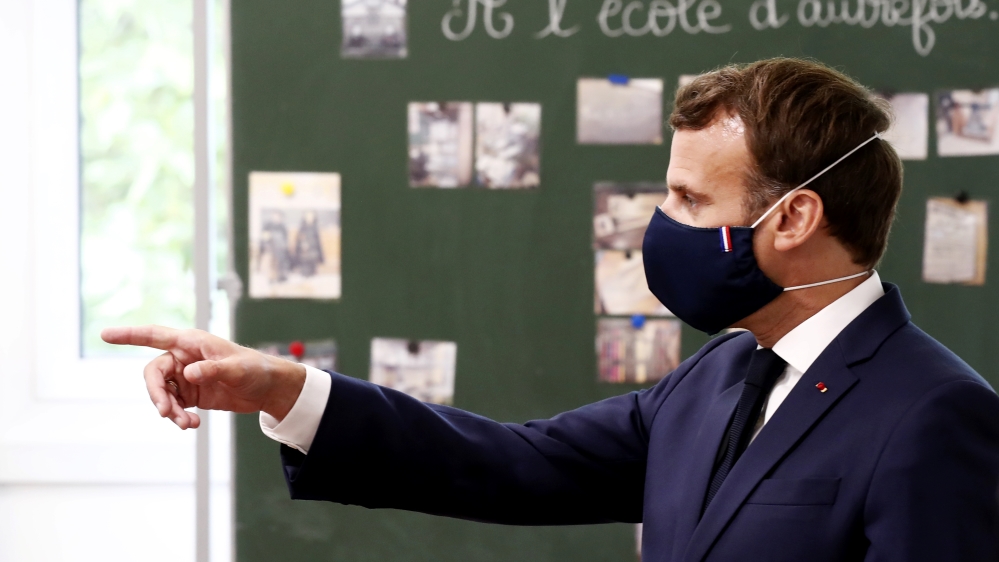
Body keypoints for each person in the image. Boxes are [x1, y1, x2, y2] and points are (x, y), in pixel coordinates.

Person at [102, 58, 999, 561]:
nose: (659, 222)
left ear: (794, 216)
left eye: (689, 199)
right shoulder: (721, 375)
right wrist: (281, 389)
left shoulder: (932, 415)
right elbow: (515, 465)